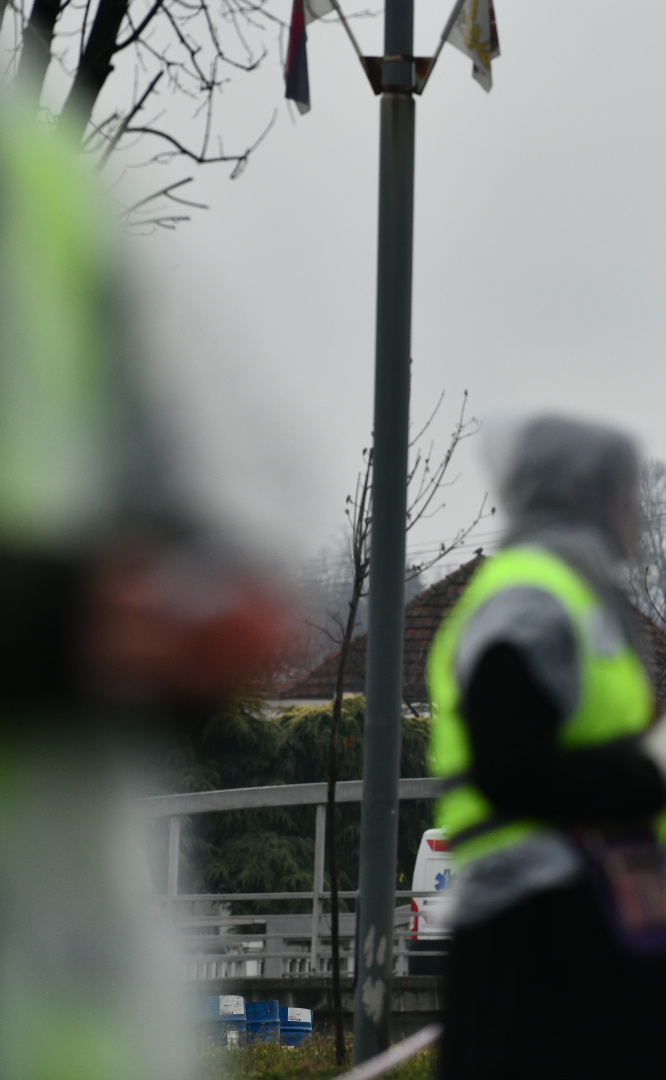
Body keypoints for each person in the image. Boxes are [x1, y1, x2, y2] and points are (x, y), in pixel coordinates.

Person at [0, 103, 289, 1079]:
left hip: (72, 1009)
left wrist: (198, 614)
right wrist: (57, 620)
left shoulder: (44, 187)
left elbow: (238, 529)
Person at [429, 415, 666, 1080]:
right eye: (625, 491)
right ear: (586, 494)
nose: (636, 512)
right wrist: (660, 765)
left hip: (594, 919)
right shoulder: (533, 597)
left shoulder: (584, 600)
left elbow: (592, 778)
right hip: (542, 938)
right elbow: (514, 765)